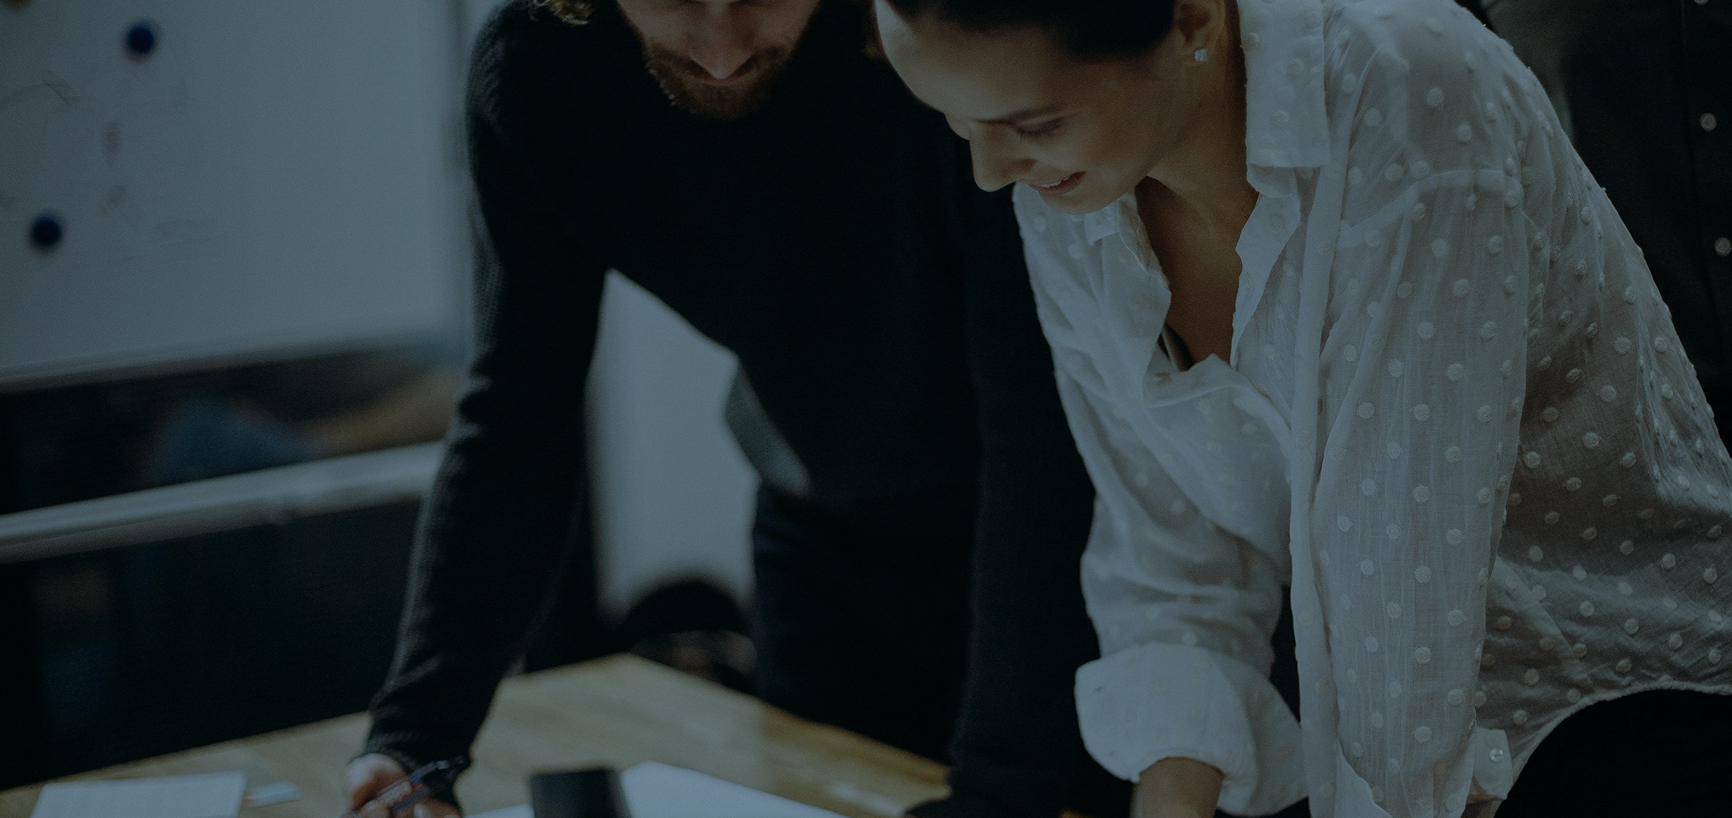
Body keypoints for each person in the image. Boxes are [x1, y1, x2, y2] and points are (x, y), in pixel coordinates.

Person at [872, 0, 1732, 815]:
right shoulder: (1075, 183)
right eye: (958, 124)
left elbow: (1403, 597)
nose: (989, 174)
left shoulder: (1410, 90)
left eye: (1032, 125)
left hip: (1628, 702)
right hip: (1380, 714)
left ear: (1190, 18)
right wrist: (1171, 800)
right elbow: (1171, 547)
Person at [341, 1, 1135, 817]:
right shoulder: (539, 74)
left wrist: (1000, 792)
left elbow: (1039, 437)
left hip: (1069, 547)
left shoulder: (937, 39)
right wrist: (417, 739)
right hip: (824, 542)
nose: (722, 50)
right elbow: (516, 415)